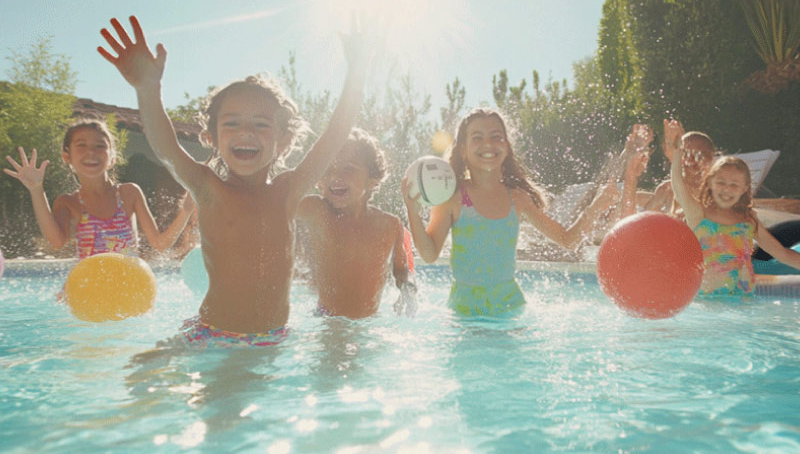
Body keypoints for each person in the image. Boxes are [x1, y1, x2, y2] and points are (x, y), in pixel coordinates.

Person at [98, 16, 370, 346]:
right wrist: (147, 89)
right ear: (211, 137)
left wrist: (357, 72)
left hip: (272, 337)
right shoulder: (208, 188)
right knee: (143, 381)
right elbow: (167, 150)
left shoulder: (288, 191)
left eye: (260, 124)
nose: (246, 133)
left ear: (282, 140)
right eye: (232, 124)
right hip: (213, 333)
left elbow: (335, 134)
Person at [401, 108, 618, 317]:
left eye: (496, 136)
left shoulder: (518, 199)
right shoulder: (453, 197)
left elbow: (568, 240)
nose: (488, 144)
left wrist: (597, 206)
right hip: (466, 308)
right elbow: (429, 255)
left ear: (507, 146)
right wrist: (412, 209)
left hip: (509, 305)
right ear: (462, 150)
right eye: (477, 137)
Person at [4, 119, 194, 259]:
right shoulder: (68, 202)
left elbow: (160, 244)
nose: (91, 152)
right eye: (81, 145)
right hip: (90, 293)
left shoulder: (129, 194)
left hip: (128, 287)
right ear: (67, 157)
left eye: (99, 146)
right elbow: (56, 242)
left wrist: (186, 211)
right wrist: (36, 190)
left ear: (112, 157)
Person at [666, 119, 800, 296]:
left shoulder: (747, 220)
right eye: (721, 182)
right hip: (705, 302)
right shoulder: (698, 214)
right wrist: (677, 151)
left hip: (742, 301)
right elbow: (678, 185)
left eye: (734, 185)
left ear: (744, 189)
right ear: (710, 184)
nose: (727, 190)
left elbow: (782, 253)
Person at [296, 128, 416, 319]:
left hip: (370, 321)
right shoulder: (315, 211)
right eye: (327, 168)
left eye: (348, 168)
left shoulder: (389, 225)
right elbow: (277, 208)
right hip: (327, 319)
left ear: (372, 177)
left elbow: (401, 270)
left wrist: (408, 290)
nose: (335, 176)